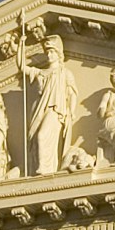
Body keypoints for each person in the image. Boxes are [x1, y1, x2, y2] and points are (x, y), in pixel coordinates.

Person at [28, 35, 79, 175]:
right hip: (40, 110)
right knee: (38, 137)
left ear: (58, 54)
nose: (49, 55)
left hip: (56, 110)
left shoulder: (65, 73)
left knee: (42, 135)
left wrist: (72, 111)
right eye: (47, 52)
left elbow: (72, 93)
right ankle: (43, 167)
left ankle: (45, 168)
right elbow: (22, 67)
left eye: (52, 52)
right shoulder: (42, 73)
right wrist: (21, 44)